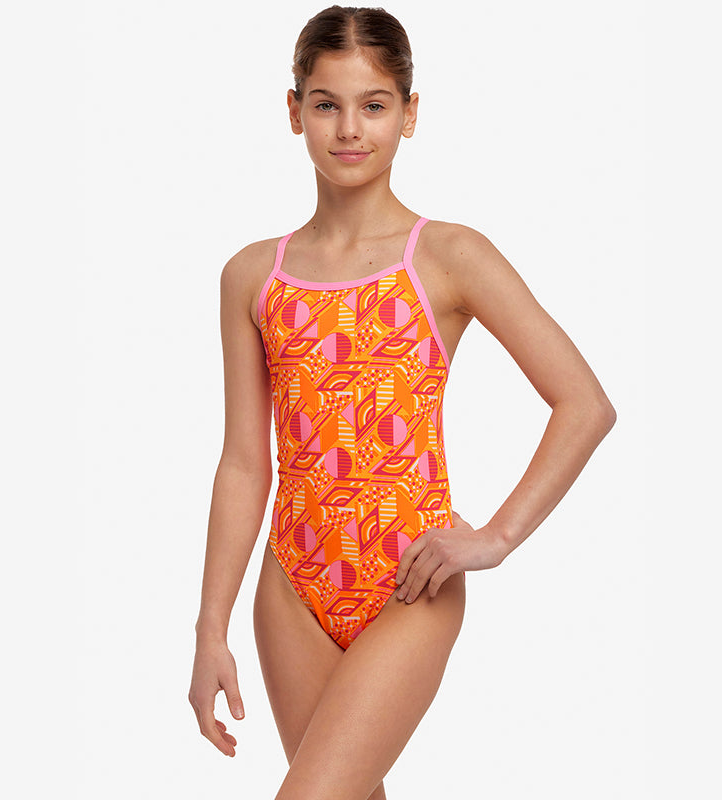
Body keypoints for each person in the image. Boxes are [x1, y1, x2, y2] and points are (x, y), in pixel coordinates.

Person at [189, 5, 616, 798]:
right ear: (294, 111)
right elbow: (245, 463)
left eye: (375, 104)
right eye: (327, 104)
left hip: (412, 582)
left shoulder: (449, 255)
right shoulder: (252, 276)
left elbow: (584, 404)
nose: (350, 128)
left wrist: (496, 537)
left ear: (409, 113)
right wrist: (210, 627)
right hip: (291, 586)